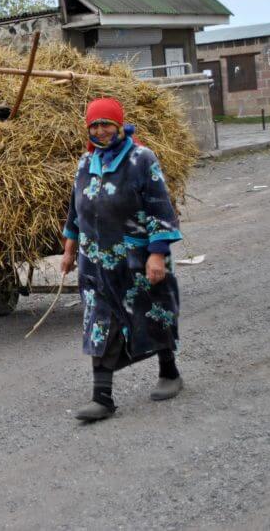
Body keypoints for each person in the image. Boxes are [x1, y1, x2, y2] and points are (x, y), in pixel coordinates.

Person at [59, 98, 184, 422]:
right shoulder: (86, 162)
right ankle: (102, 397)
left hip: (135, 258)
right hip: (94, 262)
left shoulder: (141, 159)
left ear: (119, 124)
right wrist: (70, 249)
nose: (100, 131)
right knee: (99, 322)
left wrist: (157, 254)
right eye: (94, 125)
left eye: (106, 124)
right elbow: (76, 210)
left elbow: (160, 208)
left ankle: (169, 372)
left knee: (152, 313)